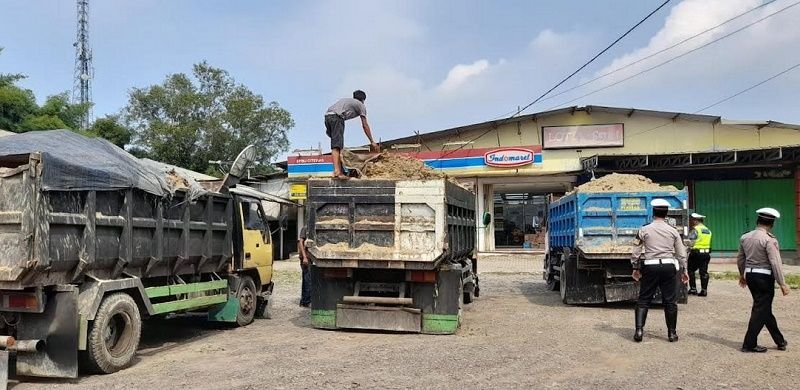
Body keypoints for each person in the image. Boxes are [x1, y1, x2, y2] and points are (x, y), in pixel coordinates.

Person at [631, 199, 689, 343]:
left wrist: (635, 268)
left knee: (644, 299)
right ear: (667, 213)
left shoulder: (644, 229)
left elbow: (636, 251)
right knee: (670, 301)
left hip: (650, 266)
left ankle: (639, 331)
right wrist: (685, 270)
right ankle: (672, 334)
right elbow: (681, 253)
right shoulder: (673, 231)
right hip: (669, 266)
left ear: (653, 212)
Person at [737, 207, 790, 353]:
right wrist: (782, 283)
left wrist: (742, 275)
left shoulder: (745, 237)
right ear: (772, 223)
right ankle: (749, 344)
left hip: (751, 276)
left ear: (757, 221)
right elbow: (775, 262)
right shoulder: (769, 239)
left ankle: (780, 340)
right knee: (761, 308)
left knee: (763, 308)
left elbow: (741, 258)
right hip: (764, 278)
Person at [325, 90, 379, 179]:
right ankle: (337, 172)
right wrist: (372, 141)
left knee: (338, 146)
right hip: (337, 117)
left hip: (328, 117)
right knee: (337, 146)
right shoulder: (361, 105)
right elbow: (365, 125)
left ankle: (339, 171)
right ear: (363, 100)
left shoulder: (348, 101)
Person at [687, 212, 713, 296]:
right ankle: (704, 290)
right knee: (704, 272)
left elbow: (691, 242)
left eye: (693, 220)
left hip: (696, 253)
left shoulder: (695, 230)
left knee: (690, 270)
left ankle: (693, 289)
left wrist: (687, 246)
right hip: (706, 254)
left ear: (695, 221)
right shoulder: (708, 230)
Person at [298, 226, 311, 308]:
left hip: (312, 258)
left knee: (309, 280)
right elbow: (301, 242)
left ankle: (305, 300)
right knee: (307, 280)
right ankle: (305, 301)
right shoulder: (305, 228)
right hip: (306, 259)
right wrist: (304, 257)